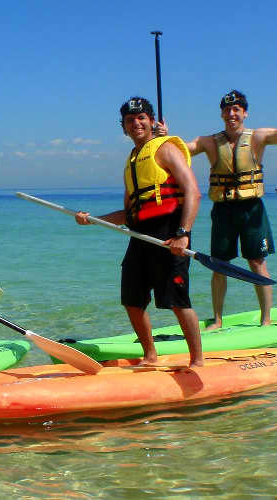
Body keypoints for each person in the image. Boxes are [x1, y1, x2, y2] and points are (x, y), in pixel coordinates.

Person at [159, 85, 277, 329]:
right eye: (227, 110)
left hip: (252, 210)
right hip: (223, 211)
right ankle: (217, 319)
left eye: (236, 109)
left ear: (245, 113)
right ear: (221, 114)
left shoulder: (259, 137)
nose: (231, 114)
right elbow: (177, 151)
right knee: (219, 266)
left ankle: (266, 319)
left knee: (257, 263)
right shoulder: (208, 142)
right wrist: (162, 137)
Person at [75, 97, 204, 367]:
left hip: (170, 235)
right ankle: (150, 355)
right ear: (123, 127)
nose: (136, 123)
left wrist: (183, 233)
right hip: (139, 239)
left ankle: (198, 362)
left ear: (151, 120)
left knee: (178, 302)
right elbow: (128, 213)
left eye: (142, 118)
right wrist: (93, 220)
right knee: (132, 301)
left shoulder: (166, 149)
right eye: (130, 120)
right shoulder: (132, 161)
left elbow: (193, 191)